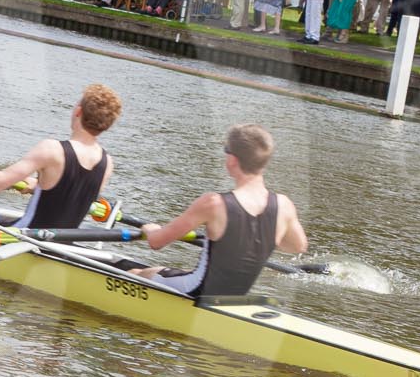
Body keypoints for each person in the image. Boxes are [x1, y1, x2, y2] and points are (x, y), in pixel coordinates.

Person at [132, 124, 308, 298]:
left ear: (232, 160)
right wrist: (255, 239)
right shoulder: (284, 206)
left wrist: (150, 229)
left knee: (138, 273)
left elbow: (157, 243)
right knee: (174, 272)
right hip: (235, 297)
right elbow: (297, 246)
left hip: (198, 293)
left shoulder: (214, 203)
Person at [0, 83, 120, 229]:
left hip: (27, 236)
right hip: (63, 245)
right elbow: (71, 198)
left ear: (78, 112)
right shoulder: (107, 163)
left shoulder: (52, 149)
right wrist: (40, 185)